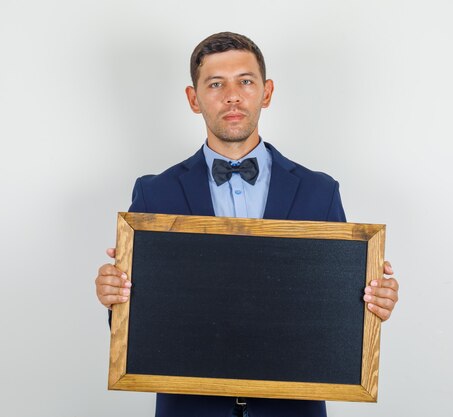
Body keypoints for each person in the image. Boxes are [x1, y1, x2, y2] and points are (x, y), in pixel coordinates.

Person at [95, 32, 399, 417]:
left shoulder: (319, 191)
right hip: (190, 408)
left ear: (266, 93)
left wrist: (373, 302)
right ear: (193, 99)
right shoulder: (155, 193)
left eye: (246, 81)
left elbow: (338, 310)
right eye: (216, 84)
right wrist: (114, 297)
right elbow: (138, 322)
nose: (232, 96)